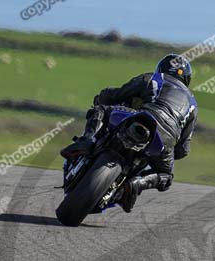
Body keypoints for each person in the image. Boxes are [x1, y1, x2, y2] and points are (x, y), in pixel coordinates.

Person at [60, 54, 198, 212]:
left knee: (100, 110)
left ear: (161, 68)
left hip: (142, 116)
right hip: (165, 139)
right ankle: (137, 184)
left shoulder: (153, 78)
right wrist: (169, 152)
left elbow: (117, 94)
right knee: (165, 176)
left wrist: (101, 98)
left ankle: (87, 141)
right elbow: (183, 149)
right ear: (187, 79)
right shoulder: (192, 104)